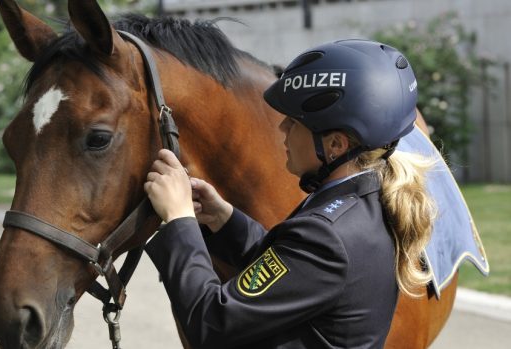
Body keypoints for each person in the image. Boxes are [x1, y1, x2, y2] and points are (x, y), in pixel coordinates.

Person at [143, 39, 436, 349]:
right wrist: (224, 219)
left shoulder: (327, 237)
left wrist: (180, 219)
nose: (282, 128)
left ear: (336, 145)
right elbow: (291, 270)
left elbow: (211, 321)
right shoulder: (362, 203)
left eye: (295, 122)